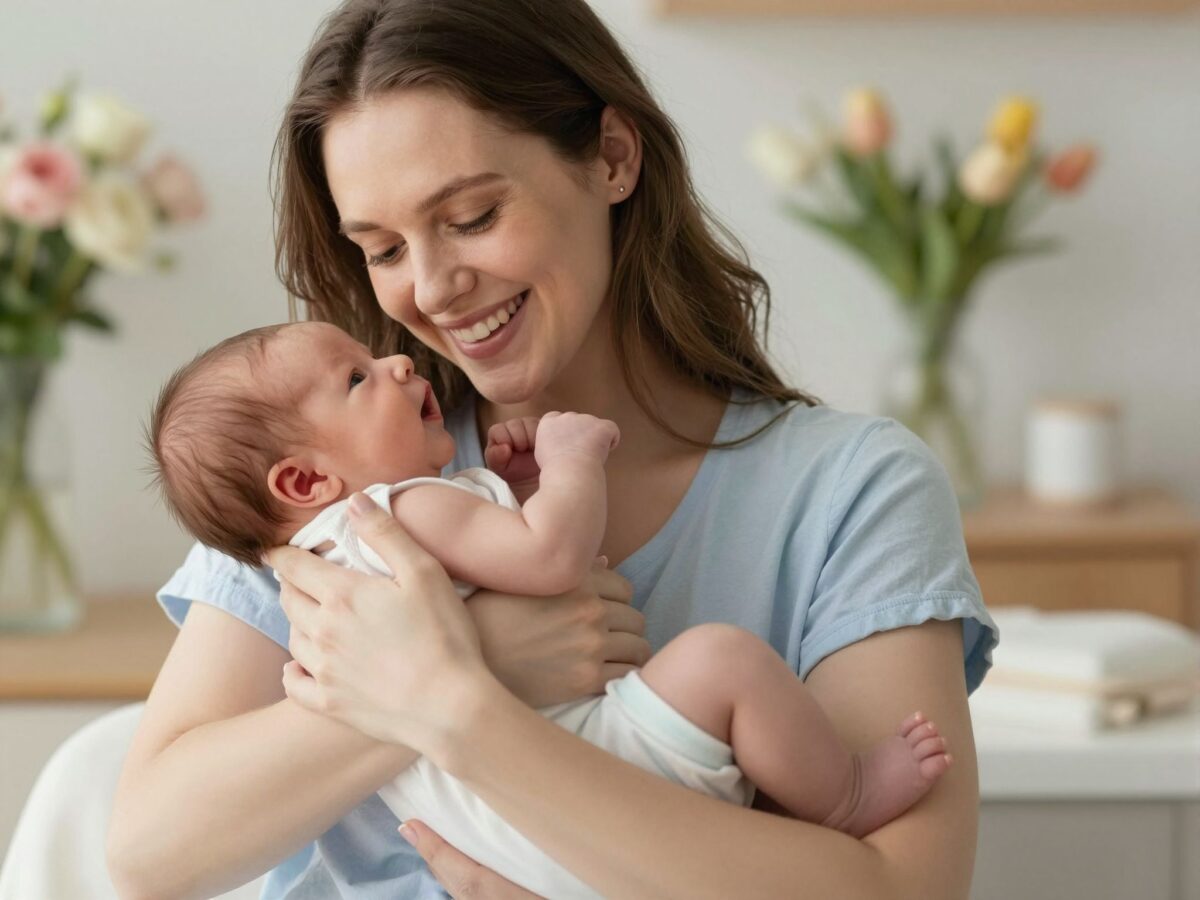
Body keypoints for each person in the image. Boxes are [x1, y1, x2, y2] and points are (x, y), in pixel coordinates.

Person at [106, 1, 998, 898]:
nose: (430, 290)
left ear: (612, 158)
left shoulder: (851, 491)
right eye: (380, 248)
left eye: (472, 215)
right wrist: (476, 653)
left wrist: (461, 712)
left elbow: (897, 889)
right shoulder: (340, 477)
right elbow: (152, 852)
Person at [145, 318, 955, 898]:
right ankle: (843, 795)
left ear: (611, 159)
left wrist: (515, 500)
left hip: (501, 830)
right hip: (582, 796)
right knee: (725, 662)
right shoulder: (402, 507)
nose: (394, 361)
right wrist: (570, 466)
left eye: (473, 215)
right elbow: (550, 558)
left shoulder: (317, 559)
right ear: (303, 482)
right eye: (356, 379)